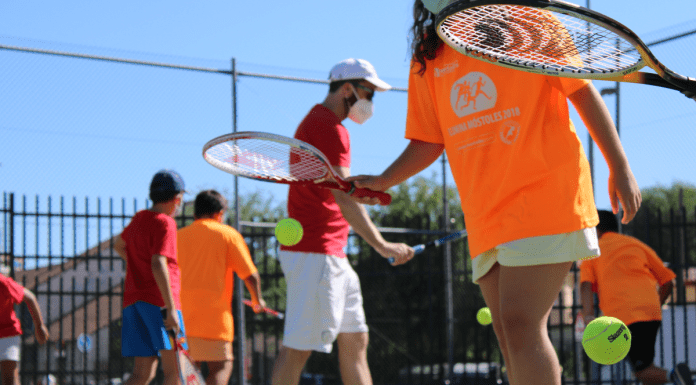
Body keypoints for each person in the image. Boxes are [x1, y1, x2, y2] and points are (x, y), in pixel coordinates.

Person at [349, 2, 643, 385]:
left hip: (545, 194)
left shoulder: (529, 21)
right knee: (509, 336)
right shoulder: (430, 51)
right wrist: (383, 179)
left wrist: (619, 165)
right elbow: (428, 140)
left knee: (522, 327)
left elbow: (581, 90)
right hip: (486, 213)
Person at [270, 58, 414, 385]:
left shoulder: (322, 123)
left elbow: (342, 189)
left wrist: (362, 192)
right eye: (369, 93)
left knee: (355, 340)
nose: (370, 102)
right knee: (297, 350)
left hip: (331, 254)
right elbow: (343, 197)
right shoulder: (328, 126)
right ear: (347, 89)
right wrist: (382, 245)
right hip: (315, 253)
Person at [580, 210, 694, 385]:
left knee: (641, 370)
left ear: (595, 230)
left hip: (623, 316)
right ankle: (674, 375)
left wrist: (588, 316)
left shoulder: (593, 250)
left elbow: (586, 285)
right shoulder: (635, 244)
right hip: (651, 312)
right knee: (644, 365)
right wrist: (655, 303)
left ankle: (674, 375)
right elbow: (668, 281)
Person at [177, 189, 267, 385]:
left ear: (195, 213)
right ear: (220, 213)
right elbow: (250, 275)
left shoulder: (179, 236)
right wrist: (257, 299)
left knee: (189, 373)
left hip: (183, 318)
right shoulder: (228, 234)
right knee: (221, 367)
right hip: (215, 319)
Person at [112, 169, 187, 385]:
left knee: (141, 374)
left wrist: (137, 265)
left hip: (135, 303)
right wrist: (172, 309)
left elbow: (119, 245)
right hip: (160, 303)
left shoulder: (139, 218)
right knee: (175, 372)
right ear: (177, 199)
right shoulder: (166, 222)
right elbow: (158, 262)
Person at [0, 273, 50, 385]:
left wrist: (39, 326)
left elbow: (30, 297)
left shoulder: (3, 282)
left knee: (9, 379)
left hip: (8, 333)